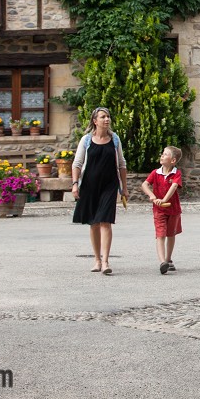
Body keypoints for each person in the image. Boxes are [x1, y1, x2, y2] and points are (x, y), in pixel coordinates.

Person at [71, 107, 128, 274]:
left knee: (106, 221)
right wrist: (75, 184)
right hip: (89, 186)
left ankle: (106, 262)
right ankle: (96, 259)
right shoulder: (86, 140)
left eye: (108, 116)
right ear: (95, 121)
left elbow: (122, 165)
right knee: (94, 223)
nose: (106, 119)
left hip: (109, 186)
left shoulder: (115, 139)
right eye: (103, 117)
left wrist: (124, 188)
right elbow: (77, 163)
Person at [143, 145, 183, 275]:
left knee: (170, 234)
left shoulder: (176, 173)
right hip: (158, 210)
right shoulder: (155, 173)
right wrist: (152, 196)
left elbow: (174, 186)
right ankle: (162, 262)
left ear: (173, 160)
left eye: (165, 154)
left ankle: (168, 258)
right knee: (160, 234)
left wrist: (165, 199)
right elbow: (144, 185)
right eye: (162, 153)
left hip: (173, 210)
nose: (162, 155)